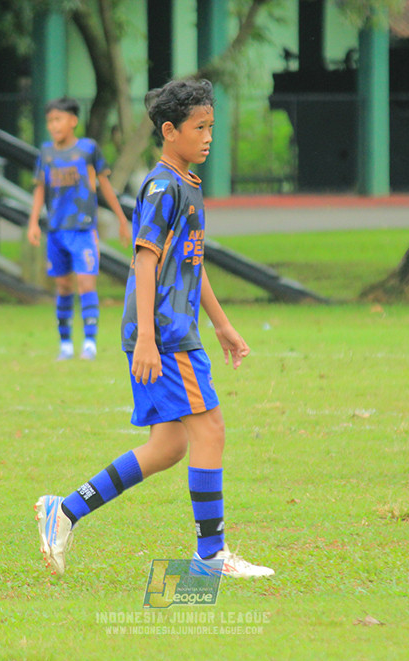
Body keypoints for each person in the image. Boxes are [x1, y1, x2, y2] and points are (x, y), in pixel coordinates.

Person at [34, 79, 274, 578]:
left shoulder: (187, 183)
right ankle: (210, 556)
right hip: (164, 333)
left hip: (175, 327)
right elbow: (145, 260)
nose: (209, 136)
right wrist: (147, 334)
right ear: (170, 131)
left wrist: (223, 325)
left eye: (212, 126)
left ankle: (66, 509)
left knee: (169, 446)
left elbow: (191, 262)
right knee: (211, 428)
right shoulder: (164, 186)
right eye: (199, 127)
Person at [27, 97, 131, 361]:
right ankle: (65, 345)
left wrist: (121, 219)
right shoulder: (47, 154)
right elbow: (40, 189)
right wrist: (33, 222)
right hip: (56, 231)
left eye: (58, 119)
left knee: (86, 282)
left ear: (73, 121)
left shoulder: (88, 149)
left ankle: (90, 344)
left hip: (83, 230)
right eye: (50, 120)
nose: (53, 125)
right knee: (63, 286)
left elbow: (105, 185)